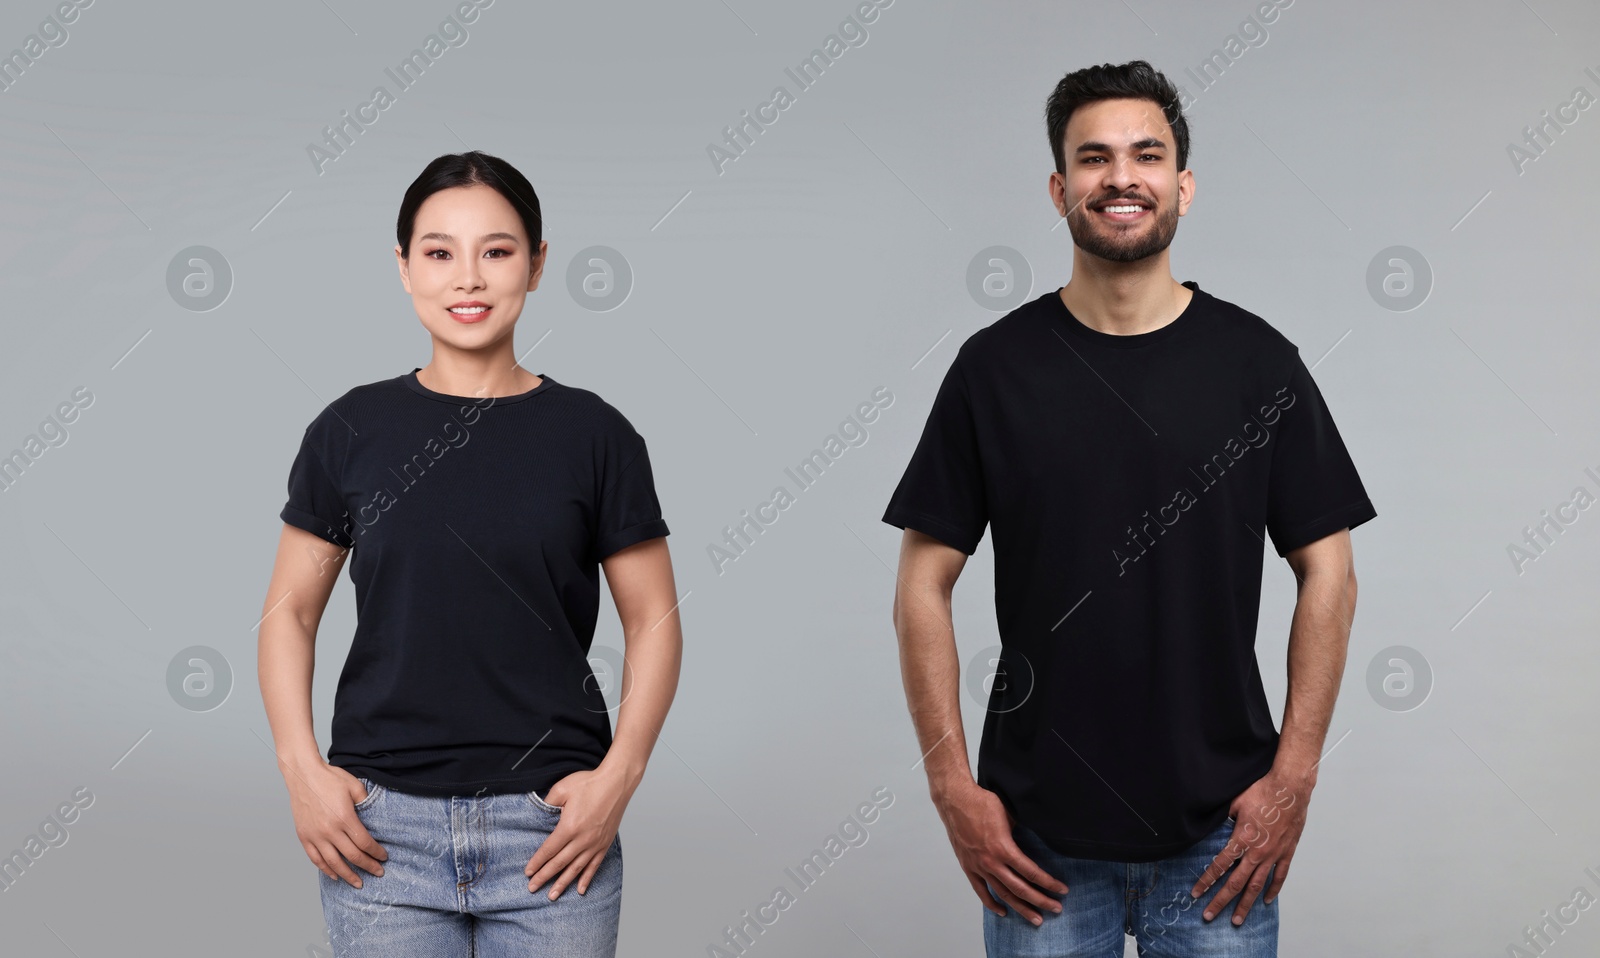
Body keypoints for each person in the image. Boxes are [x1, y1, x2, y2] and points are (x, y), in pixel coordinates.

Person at [881, 60, 1375, 957]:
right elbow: (922, 583)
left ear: (1181, 185)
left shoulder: (1259, 366)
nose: (1120, 177)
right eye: (1094, 157)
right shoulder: (994, 371)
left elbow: (1330, 570)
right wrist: (951, 787)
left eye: (1146, 156)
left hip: (1223, 833)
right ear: (1059, 187)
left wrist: (1293, 778)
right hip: (1036, 841)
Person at [258, 150, 682, 958]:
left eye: (497, 250)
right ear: (404, 266)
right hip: (382, 834)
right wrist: (301, 771)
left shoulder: (596, 435)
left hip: (552, 834)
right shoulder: (350, 430)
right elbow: (288, 615)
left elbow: (655, 621)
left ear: (537, 262)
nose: (469, 279)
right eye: (439, 252)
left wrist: (618, 779)